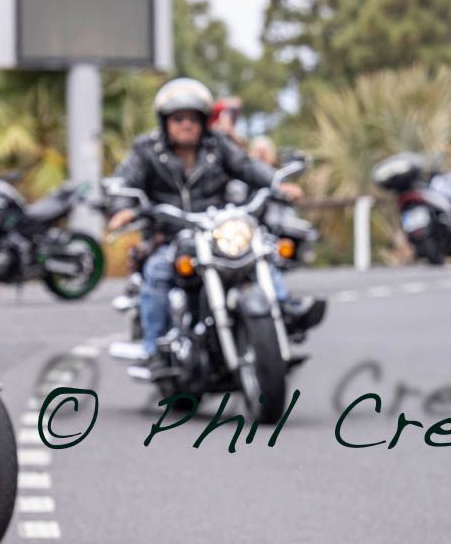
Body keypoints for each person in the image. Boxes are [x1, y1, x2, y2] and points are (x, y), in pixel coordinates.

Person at [106, 78, 318, 375]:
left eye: (193, 118)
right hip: (170, 235)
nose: (186, 124)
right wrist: (123, 208)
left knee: (258, 252)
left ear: (203, 121)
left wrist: (276, 184)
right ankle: (153, 349)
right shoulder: (146, 150)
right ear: (166, 122)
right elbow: (125, 181)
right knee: (158, 270)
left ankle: (284, 309)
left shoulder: (217, 145)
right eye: (178, 118)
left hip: (216, 229)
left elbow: (246, 166)